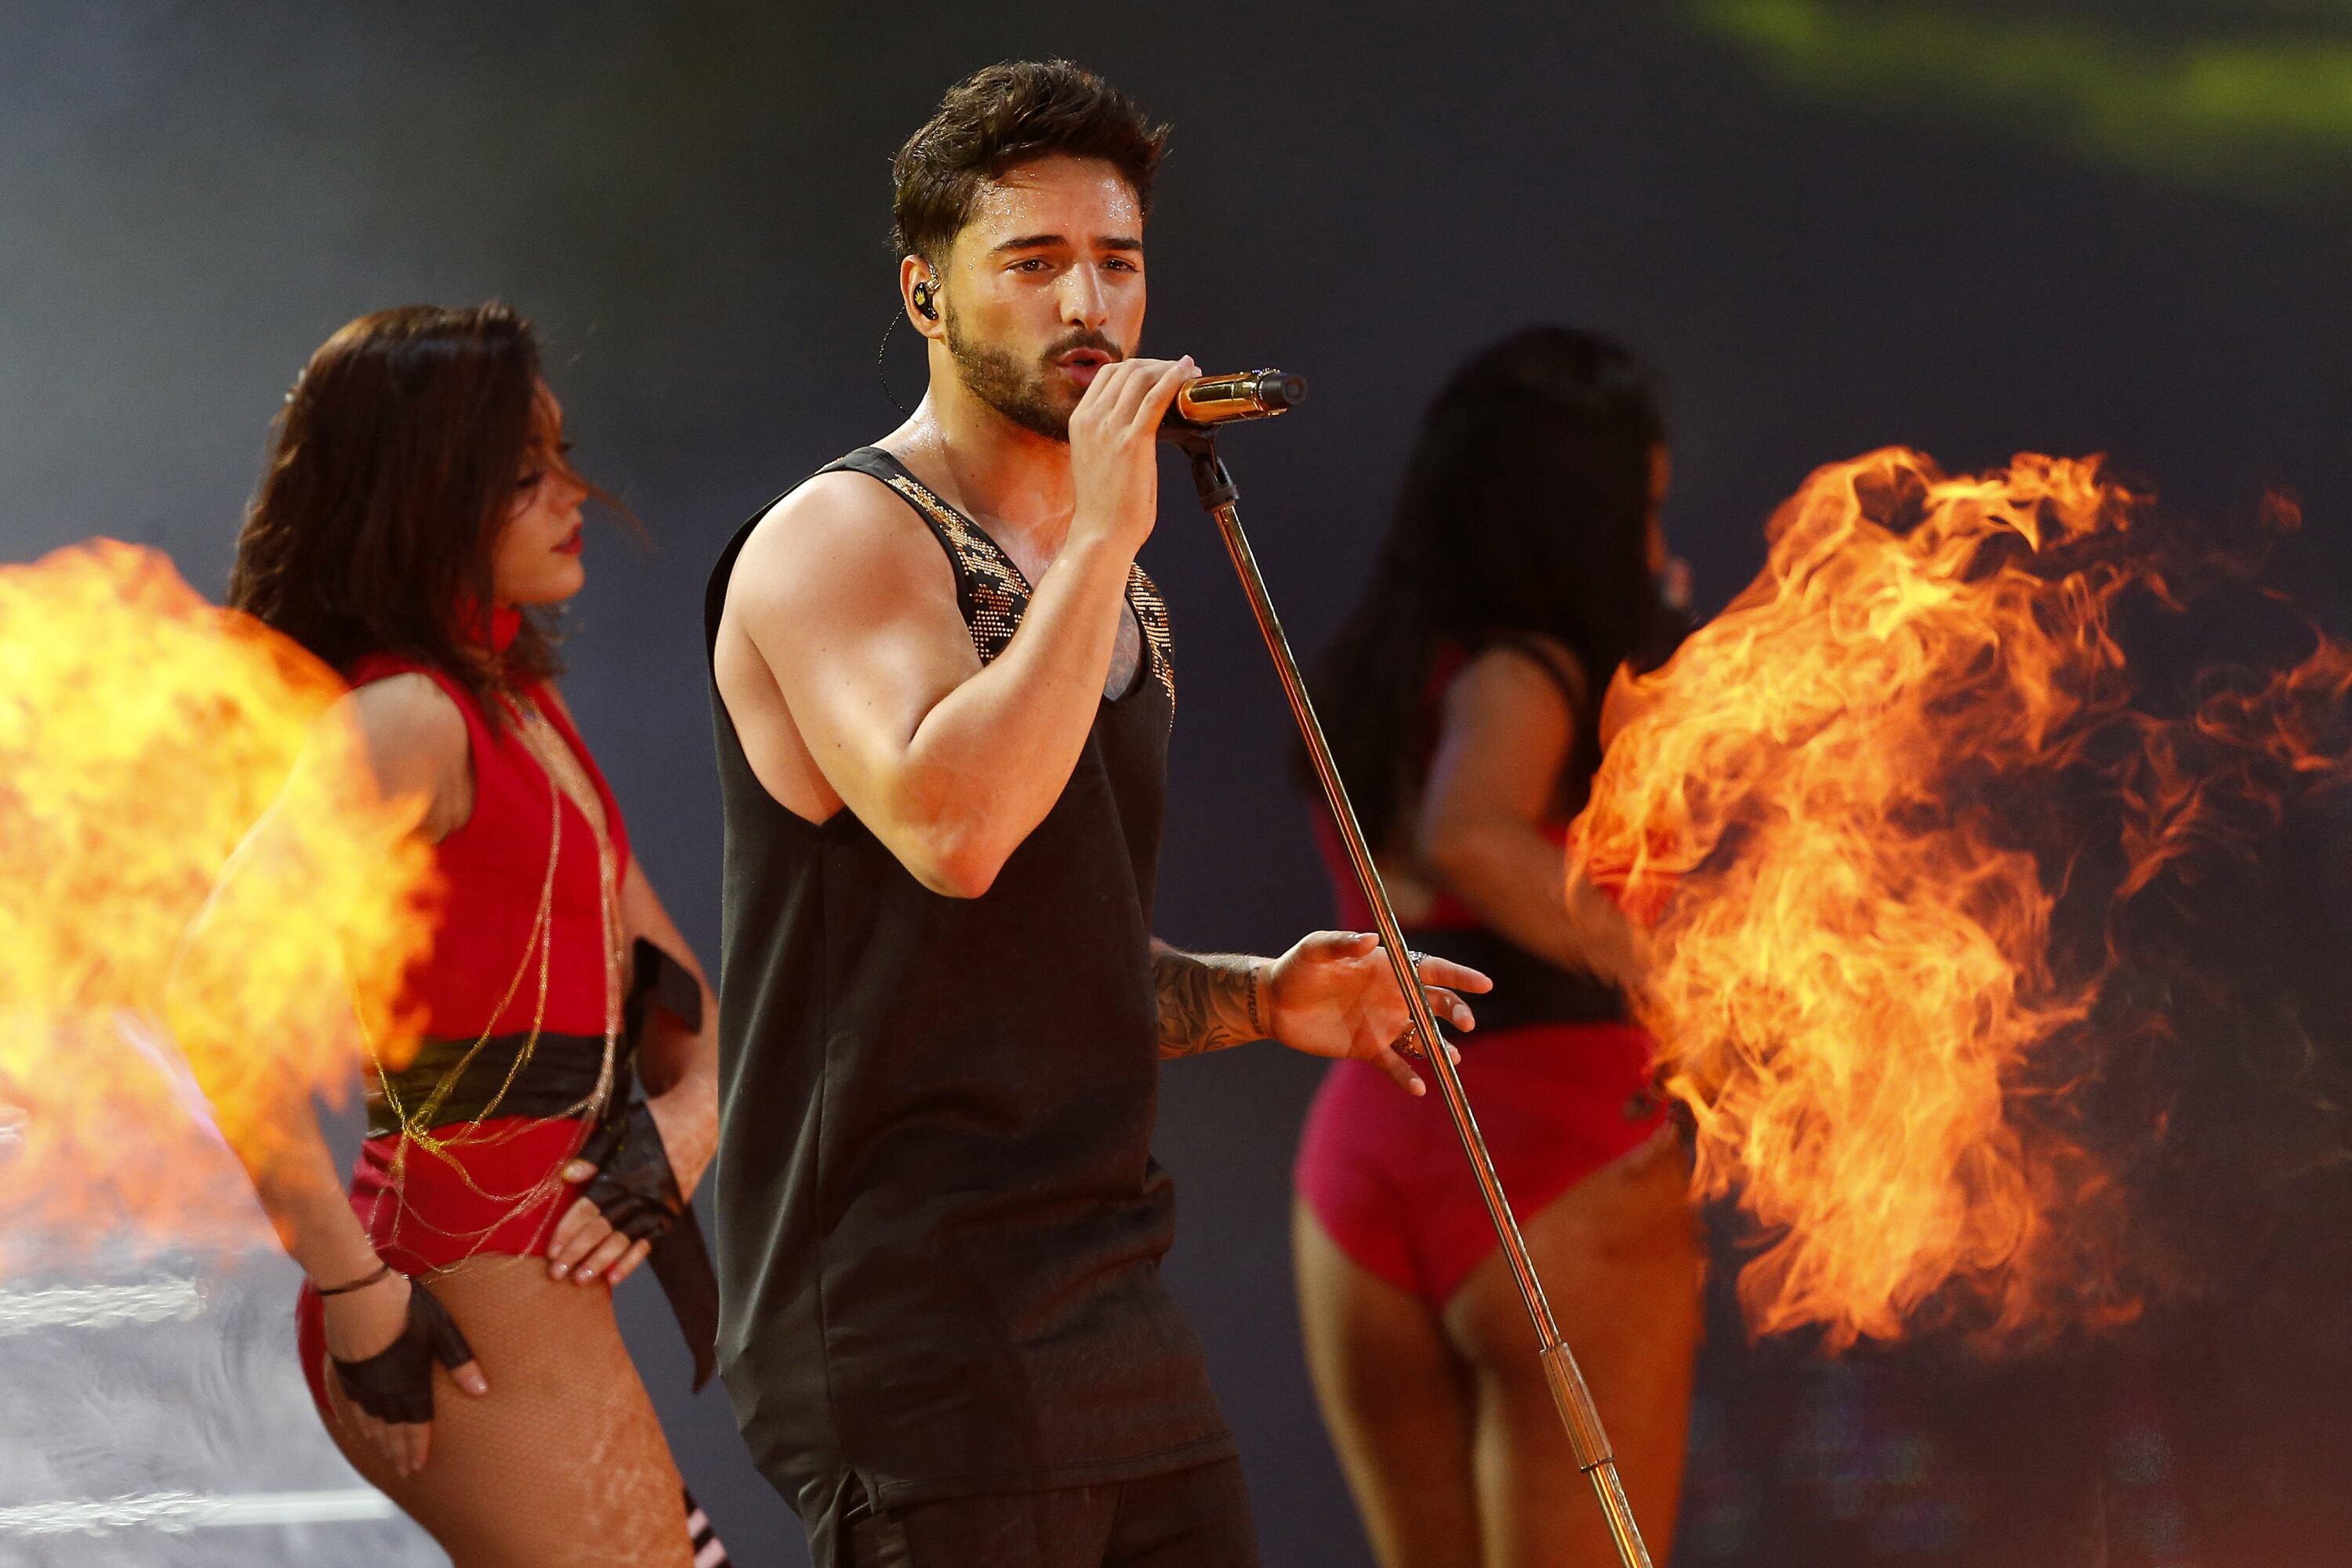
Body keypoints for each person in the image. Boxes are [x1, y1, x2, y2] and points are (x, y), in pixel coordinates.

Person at [705, 60, 1488, 1568]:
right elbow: (955, 831)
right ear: (927, 297)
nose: (1090, 307)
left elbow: (1035, 956)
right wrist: (1106, 532)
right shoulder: (841, 538)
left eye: (1117, 264)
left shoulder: (1100, 573)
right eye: (1034, 263)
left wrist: (1262, 1000)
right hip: (910, 1308)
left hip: (1102, 1290)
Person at [205, 303, 727, 1566]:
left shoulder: (512, 702)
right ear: (430, 498)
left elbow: (666, 984)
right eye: (523, 475)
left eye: (560, 456)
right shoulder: (408, 722)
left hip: (509, 1278)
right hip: (455, 1288)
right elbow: (218, 997)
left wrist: (691, 1113)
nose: (576, 496)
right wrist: (354, 1293)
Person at [1291, 327, 1703, 1568]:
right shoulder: (1528, 671)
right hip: (1551, 1155)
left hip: (1366, 1157)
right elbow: (1472, 834)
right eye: (1641, 507)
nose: (1650, 543)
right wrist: (1687, 975)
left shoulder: (1379, 668)